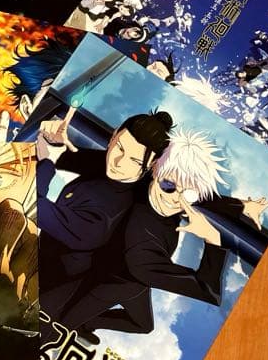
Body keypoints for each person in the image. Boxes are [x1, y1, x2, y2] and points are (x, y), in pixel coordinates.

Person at [36, 109, 174, 324]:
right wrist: (53, 142)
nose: (119, 162)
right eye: (120, 147)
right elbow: (70, 157)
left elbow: (33, 205)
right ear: (113, 136)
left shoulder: (106, 215)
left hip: (52, 284)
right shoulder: (108, 164)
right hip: (50, 259)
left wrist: (46, 161)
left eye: (135, 161)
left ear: (150, 167)